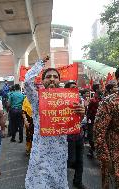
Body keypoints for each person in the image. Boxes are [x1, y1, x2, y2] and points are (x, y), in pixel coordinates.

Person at [24, 57, 85, 189]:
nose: (52, 79)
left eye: (55, 77)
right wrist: (40, 63)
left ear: (59, 80)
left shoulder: (68, 99)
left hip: (60, 152)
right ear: (42, 80)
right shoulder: (37, 98)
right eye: (48, 76)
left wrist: (81, 114)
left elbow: (75, 124)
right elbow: (27, 82)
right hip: (40, 152)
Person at [65, 81, 87, 189]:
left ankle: (78, 181)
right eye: (73, 87)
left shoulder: (80, 101)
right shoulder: (61, 102)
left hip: (79, 135)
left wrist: (82, 113)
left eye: (76, 87)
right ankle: (61, 182)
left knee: (80, 161)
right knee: (70, 160)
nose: (76, 89)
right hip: (68, 137)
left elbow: (81, 119)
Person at [86, 83, 102, 158]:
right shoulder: (93, 100)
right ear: (96, 90)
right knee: (91, 137)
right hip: (92, 121)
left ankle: (94, 150)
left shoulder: (103, 98)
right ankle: (92, 149)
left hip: (101, 121)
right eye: (100, 88)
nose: (102, 89)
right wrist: (88, 121)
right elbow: (89, 111)